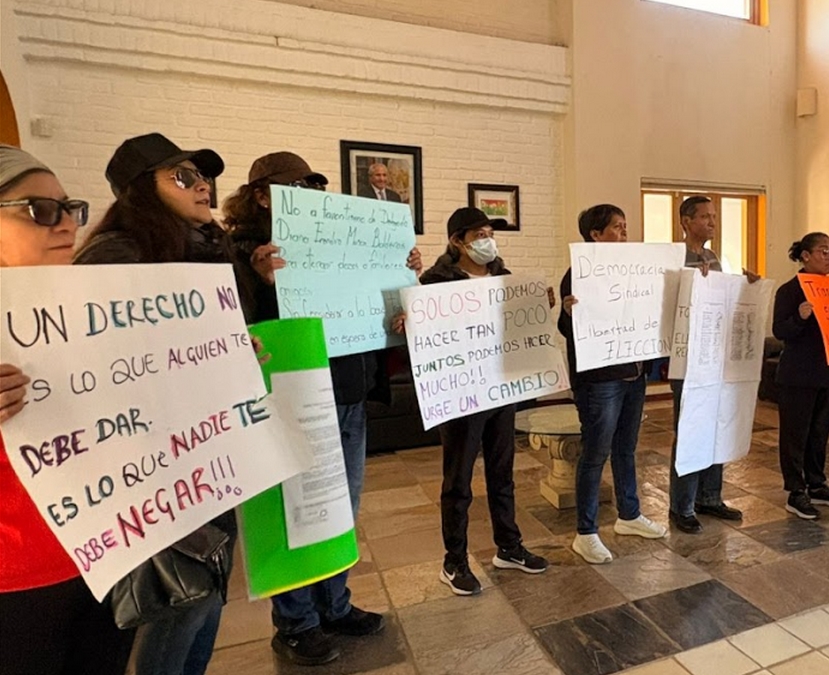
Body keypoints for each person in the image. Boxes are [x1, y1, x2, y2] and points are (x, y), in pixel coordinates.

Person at [222, 150, 421, 665]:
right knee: (298, 513)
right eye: (297, 186)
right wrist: (264, 285)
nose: (310, 193)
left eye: (314, 184)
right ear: (262, 195)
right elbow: (231, 335)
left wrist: (402, 278)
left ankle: (335, 605)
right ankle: (296, 622)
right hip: (293, 398)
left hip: (349, 391)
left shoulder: (335, 236)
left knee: (340, 510)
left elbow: (369, 304)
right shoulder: (238, 252)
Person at [72, 132, 239, 675]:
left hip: (207, 449)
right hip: (156, 466)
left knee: (208, 595)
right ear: (141, 191)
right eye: (183, 177)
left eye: (203, 175)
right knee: (177, 607)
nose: (202, 186)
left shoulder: (201, 249)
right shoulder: (116, 256)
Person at [0, 144, 135, 675]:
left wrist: (219, 362)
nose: (65, 225)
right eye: (39, 210)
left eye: (69, 208)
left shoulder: (91, 308)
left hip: (102, 551)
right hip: (15, 580)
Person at [417, 206, 550, 595]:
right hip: (461, 394)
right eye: (478, 235)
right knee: (458, 480)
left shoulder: (505, 279)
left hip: (500, 389)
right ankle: (454, 560)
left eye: (490, 233)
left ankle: (508, 545)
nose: (486, 241)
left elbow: (522, 325)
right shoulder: (435, 283)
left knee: (502, 472)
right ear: (457, 241)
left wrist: (541, 306)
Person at [558, 204, 667, 564]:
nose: (623, 234)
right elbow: (566, 327)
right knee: (595, 453)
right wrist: (568, 312)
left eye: (625, 227)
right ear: (595, 235)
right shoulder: (578, 275)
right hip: (599, 380)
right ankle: (586, 532)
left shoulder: (634, 273)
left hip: (634, 373)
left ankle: (629, 514)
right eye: (616, 228)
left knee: (626, 448)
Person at [668, 196, 750, 534]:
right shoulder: (675, 258)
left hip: (716, 355)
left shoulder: (715, 258)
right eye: (704, 217)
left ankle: (710, 497)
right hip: (687, 356)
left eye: (714, 216)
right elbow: (671, 302)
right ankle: (682, 505)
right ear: (686, 221)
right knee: (690, 428)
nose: (712, 222)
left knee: (715, 424)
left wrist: (747, 286)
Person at [772, 233, 829, 520]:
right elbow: (781, 331)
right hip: (798, 375)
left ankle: (817, 484)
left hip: (828, 372)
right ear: (805, 256)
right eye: (823, 251)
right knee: (796, 435)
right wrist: (800, 317)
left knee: (819, 434)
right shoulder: (789, 291)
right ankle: (796, 492)